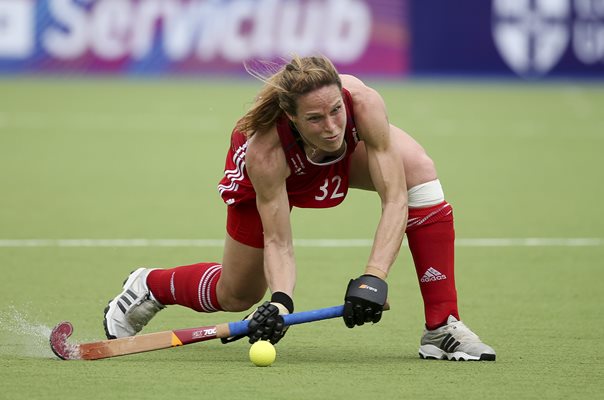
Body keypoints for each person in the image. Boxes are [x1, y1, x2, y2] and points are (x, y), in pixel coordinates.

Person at [103, 55, 495, 361]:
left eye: (335, 111)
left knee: (420, 175)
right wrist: (279, 302)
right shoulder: (263, 150)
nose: (331, 126)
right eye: (315, 118)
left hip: (338, 160)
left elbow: (395, 198)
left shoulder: (363, 104)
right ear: (291, 116)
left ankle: (442, 326)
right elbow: (279, 241)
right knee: (237, 294)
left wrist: (373, 277)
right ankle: (149, 286)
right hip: (281, 173)